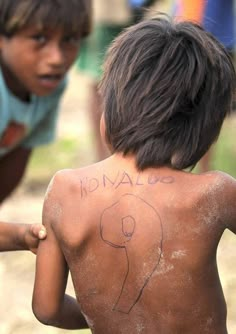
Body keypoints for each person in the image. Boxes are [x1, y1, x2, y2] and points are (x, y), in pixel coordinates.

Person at [32, 16, 236, 333]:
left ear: (110, 104)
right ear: (205, 130)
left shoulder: (64, 191)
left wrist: (101, 317)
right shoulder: (215, 193)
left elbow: (47, 308)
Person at [0, 0, 91, 204]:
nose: (57, 59)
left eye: (69, 39)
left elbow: (13, 167)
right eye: (39, 38)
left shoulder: (51, 84)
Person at [77, 0, 156, 161]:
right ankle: (103, 159)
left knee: (140, 79)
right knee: (100, 84)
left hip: (135, 10)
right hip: (107, 12)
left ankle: (133, 154)